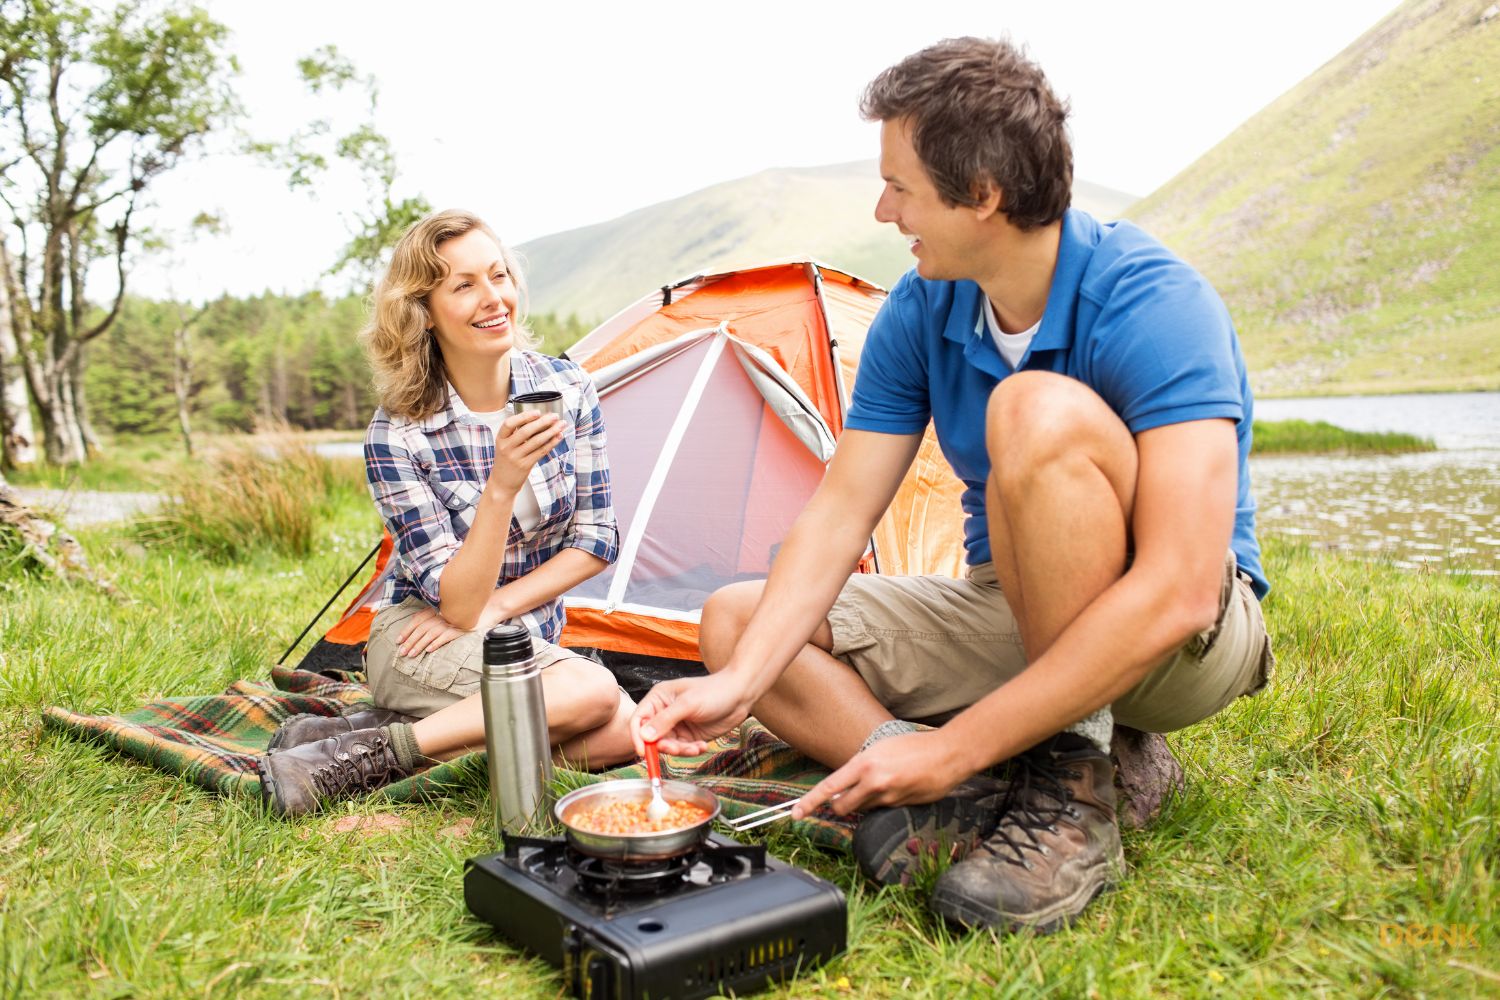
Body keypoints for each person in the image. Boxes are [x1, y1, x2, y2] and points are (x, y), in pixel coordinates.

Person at [631, 37, 1274, 933]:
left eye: (900, 185)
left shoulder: (1154, 300)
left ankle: (1071, 791)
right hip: (1009, 606)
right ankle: (958, 790)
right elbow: (839, 513)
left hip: (1186, 639)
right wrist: (738, 685)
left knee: (1033, 411)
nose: (884, 208)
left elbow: (1176, 591)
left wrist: (958, 737)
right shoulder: (920, 307)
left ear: (982, 196)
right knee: (742, 623)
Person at [261, 209, 636, 816]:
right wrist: (501, 486)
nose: (494, 299)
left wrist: (500, 607)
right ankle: (354, 766)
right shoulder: (398, 434)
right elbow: (457, 606)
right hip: (421, 638)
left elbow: (596, 540)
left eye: (499, 276)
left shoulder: (569, 389)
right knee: (593, 692)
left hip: (520, 636)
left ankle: (373, 739)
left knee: (622, 730)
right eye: (464, 286)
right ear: (423, 311)